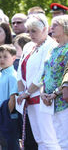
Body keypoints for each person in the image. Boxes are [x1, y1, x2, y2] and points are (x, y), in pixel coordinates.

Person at [17, 13, 60, 149]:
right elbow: (19, 72)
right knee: (39, 138)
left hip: (42, 97)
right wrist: (21, 93)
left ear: (45, 29)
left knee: (49, 138)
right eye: (29, 31)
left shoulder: (51, 45)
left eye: (34, 31)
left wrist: (27, 92)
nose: (31, 34)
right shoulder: (28, 46)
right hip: (28, 98)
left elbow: (43, 73)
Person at [41, 15, 68, 149]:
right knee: (56, 139)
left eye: (55, 24)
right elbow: (44, 74)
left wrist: (55, 93)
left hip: (63, 101)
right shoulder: (53, 49)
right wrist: (42, 92)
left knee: (64, 141)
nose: (52, 28)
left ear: (65, 27)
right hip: (51, 102)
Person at [0, 44, 19, 150]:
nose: (2, 59)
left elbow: (13, 99)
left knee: (12, 145)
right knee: (2, 146)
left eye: (5, 56)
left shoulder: (13, 76)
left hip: (9, 119)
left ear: (13, 58)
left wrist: (4, 118)